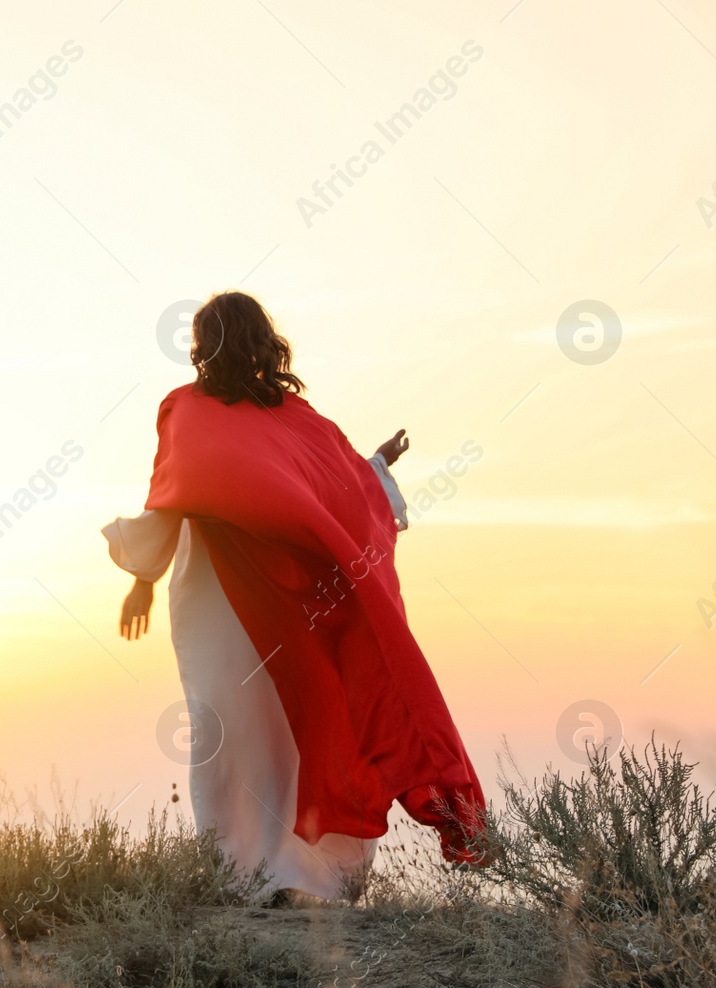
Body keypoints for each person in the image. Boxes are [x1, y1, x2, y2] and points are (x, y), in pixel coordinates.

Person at [103, 291, 487, 903]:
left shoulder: (234, 414)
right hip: (232, 603)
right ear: (263, 342)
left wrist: (141, 579)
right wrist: (376, 471)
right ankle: (269, 879)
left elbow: (318, 493)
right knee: (248, 729)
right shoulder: (253, 415)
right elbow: (187, 494)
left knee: (241, 731)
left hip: (228, 610)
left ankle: (286, 882)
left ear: (204, 346)